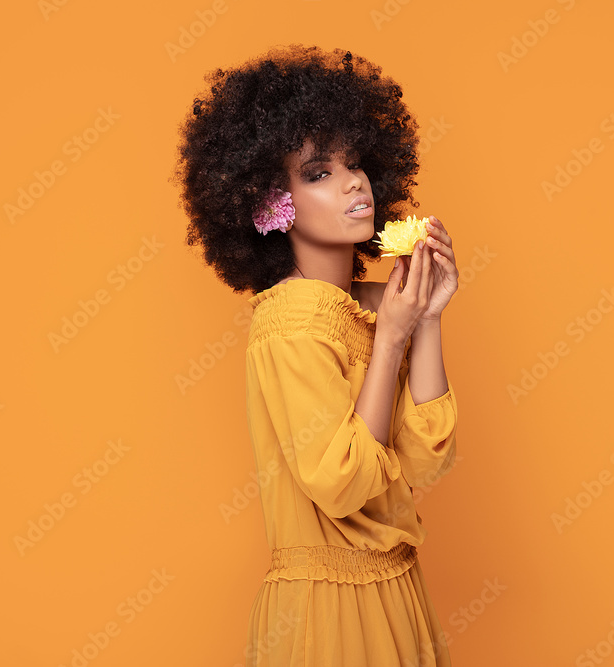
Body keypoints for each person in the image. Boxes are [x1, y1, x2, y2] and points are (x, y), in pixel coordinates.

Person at [173, 44, 460, 667]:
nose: (355, 181)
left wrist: (427, 318)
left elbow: (424, 459)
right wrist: (391, 339)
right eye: (319, 172)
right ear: (271, 205)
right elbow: (344, 482)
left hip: (394, 589)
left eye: (355, 163)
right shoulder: (289, 321)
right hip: (330, 612)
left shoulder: (373, 307)